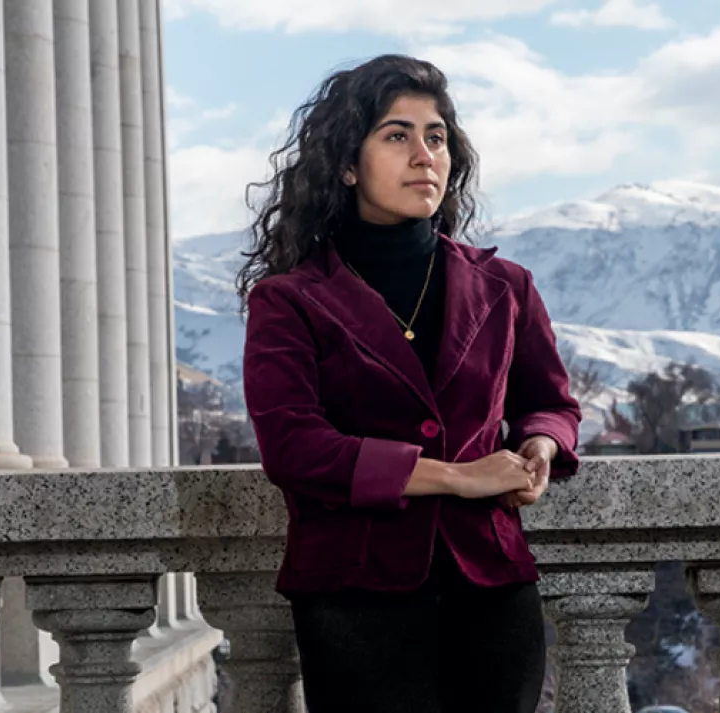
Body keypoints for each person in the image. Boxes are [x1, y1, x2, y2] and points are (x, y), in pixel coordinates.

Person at [238, 53, 582, 713]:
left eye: (436, 136)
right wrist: (455, 475)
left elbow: (550, 403)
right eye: (397, 135)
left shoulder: (505, 286)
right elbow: (294, 446)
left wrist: (540, 446)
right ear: (346, 163)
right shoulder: (289, 300)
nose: (424, 153)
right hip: (354, 599)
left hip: (494, 589)